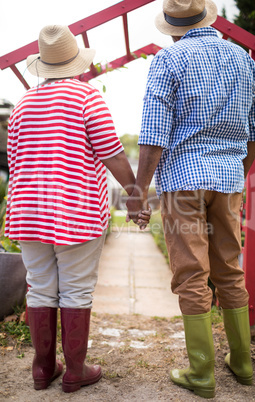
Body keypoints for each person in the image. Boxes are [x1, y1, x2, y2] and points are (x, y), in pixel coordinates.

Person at [126, 0, 255, 398]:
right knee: (229, 268)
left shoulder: (169, 60)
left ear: (171, 27)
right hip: (227, 179)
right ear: (208, 19)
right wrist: (235, 173)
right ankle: (242, 364)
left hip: (184, 180)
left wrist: (138, 193)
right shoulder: (241, 58)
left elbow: (153, 136)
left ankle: (201, 374)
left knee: (191, 272)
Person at [6, 25, 150, 393]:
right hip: (76, 213)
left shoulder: (22, 104)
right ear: (76, 62)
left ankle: (42, 369)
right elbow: (112, 153)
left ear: (43, 64)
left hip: (27, 214)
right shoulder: (86, 97)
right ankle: (75, 370)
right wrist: (135, 196)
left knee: (39, 287)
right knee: (76, 290)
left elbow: (15, 159)